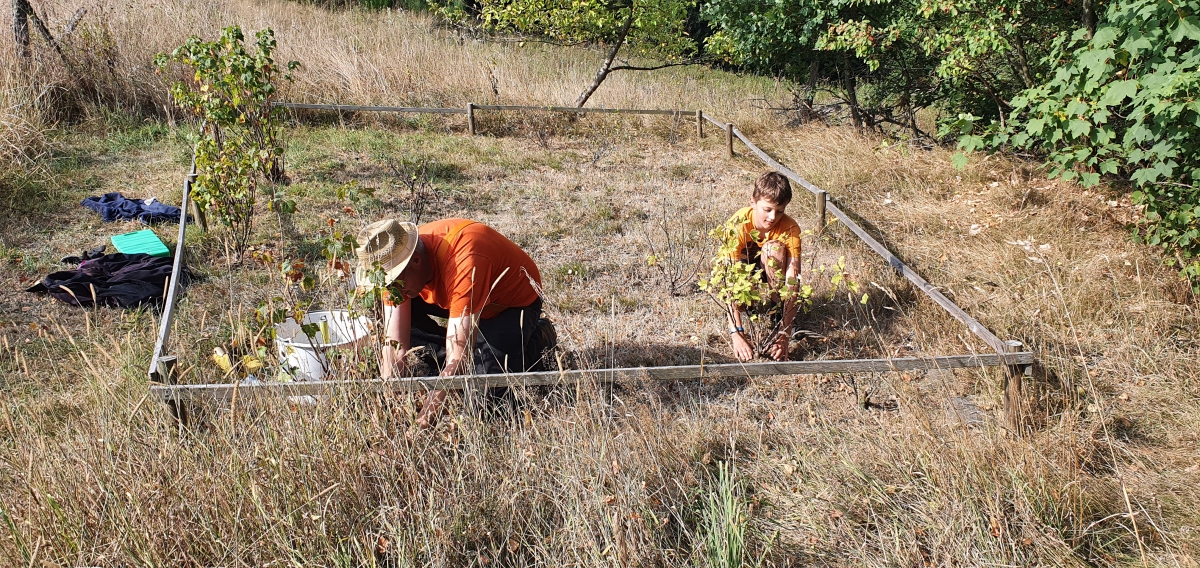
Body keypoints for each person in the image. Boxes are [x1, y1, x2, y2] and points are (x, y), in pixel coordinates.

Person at [355, 218, 553, 427]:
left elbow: (457, 359)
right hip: (460, 300)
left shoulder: (464, 260)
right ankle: (473, 354)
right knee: (464, 375)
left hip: (509, 307)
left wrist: (421, 423)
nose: (393, 290)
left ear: (416, 260)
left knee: (486, 404)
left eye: (396, 282)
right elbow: (394, 347)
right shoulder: (393, 259)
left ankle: (537, 339)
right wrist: (387, 405)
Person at [721, 171, 802, 362]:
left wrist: (785, 334)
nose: (773, 217)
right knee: (738, 270)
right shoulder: (738, 225)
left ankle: (776, 312)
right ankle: (745, 305)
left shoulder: (790, 228)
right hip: (745, 270)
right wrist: (736, 333)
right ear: (753, 202)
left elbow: (793, 281)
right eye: (767, 209)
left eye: (780, 211)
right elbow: (729, 277)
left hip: (771, 270)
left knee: (773, 250)